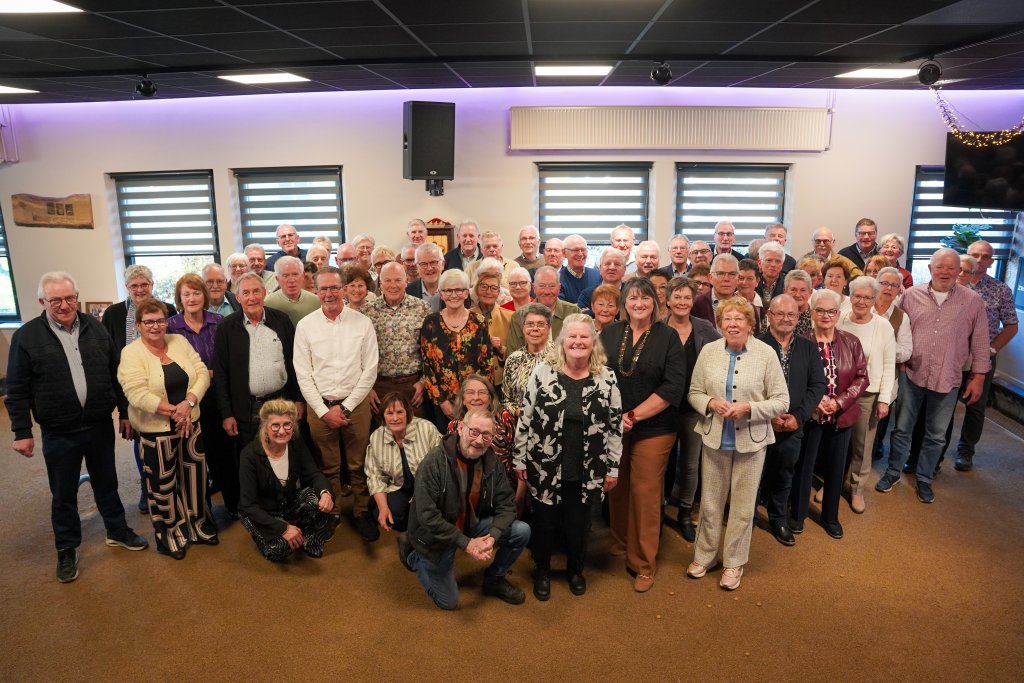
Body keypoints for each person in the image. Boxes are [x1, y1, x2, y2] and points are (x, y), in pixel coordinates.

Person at [7, 272, 149, 583]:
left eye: (69, 298)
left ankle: (116, 529)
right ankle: (66, 547)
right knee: (64, 492)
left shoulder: (95, 327)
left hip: (99, 423)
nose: (64, 305)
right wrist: (21, 431)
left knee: (107, 481)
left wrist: (124, 412)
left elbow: (116, 373)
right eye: (55, 300)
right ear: (42, 302)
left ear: (77, 296)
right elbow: (16, 388)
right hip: (59, 430)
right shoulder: (26, 337)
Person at [513, 314, 622, 600]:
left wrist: (613, 468)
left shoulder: (607, 378)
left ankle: (575, 570)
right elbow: (525, 418)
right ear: (562, 342)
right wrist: (520, 460)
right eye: (571, 337)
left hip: (588, 468)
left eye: (583, 337)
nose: (577, 342)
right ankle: (543, 572)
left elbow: (615, 426)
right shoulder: (543, 373)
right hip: (545, 464)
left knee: (579, 524)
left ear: (593, 342)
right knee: (545, 523)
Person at [686, 297, 788, 590]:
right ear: (720, 324)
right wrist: (710, 402)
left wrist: (749, 409)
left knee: (742, 508)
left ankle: (734, 563)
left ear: (750, 323)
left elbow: (782, 401)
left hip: (751, 442)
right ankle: (705, 556)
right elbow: (694, 392)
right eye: (727, 319)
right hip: (715, 438)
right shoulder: (708, 351)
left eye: (738, 319)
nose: (732, 324)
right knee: (710, 503)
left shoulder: (766, 354)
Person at [876, 249, 990, 503]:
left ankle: (925, 478)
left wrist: (979, 376)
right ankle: (893, 470)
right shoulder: (911, 296)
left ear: (959, 271)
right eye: (940, 267)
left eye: (952, 268)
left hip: (947, 377)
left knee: (936, 434)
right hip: (911, 373)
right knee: (902, 428)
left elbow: (981, 342)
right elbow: (896, 329)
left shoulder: (972, 301)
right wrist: (899, 361)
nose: (946, 272)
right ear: (930, 268)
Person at [600, 277, 687, 592]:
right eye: (632, 299)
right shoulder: (609, 333)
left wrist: (633, 416)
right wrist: (613, 417)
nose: (639, 304)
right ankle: (621, 541)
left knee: (645, 491)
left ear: (655, 302)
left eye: (645, 299)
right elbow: (597, 376)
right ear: (624, 303)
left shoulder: (668, 337)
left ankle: (644, 562)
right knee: (617, 485)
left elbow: (672, 387)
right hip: (613, 426)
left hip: (655, 426)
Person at [400, 409, 531, 610]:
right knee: (449, 603)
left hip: (470, 525)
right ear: (461, 428)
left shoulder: (491, 461)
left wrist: (492, 537)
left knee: (521, 531)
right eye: (474, 432)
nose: (479, 440)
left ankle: (494, 578)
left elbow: (506, 505)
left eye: (486, 434)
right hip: (436, 537)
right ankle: (414, 555)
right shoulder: (434, 462)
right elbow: (427, 517)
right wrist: (466, 544)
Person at [118, 299, 217, 559]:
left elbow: (202, 373)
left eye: (160, 320)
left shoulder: (179, 342)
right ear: (138, 325)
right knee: (162, 485)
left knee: (195, 479)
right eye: (149, 322)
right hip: (156, 431)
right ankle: (170, 535)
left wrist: (189, 402)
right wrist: (175, 411)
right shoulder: (131, 353)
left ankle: (199, 528)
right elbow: (136, 393)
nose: (156, 326)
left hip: (190, 425)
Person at [294, 265, 380, 541]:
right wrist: (322, 410)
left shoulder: (362, 323)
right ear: (315, 291)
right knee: (327, 465)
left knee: (358, 463)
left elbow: (370, 370)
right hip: (319, 406)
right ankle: (330, 514)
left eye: (334, 287)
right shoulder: (306, 326)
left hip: (355, 405)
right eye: (323, 288)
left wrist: (345, 407)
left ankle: (361, 511)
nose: (329, 293)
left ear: (344, 290)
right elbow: (303, 374)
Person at [213, 271, 304, 518]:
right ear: (237, 297)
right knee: (252, 460)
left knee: (284, 454)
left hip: (281, 402)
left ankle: (285, 506)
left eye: (256, 291)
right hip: (247, 408)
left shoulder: (281, 320)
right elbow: (220, 374)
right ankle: (256, 511)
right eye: (246, 293)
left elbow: (296, 363)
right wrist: (227, 413)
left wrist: (298, 399)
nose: (252, 297)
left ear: (265, 293)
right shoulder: (226, 328)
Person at [791, 289, 868, 539]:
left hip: (841, 415)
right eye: (820, 310)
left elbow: (861, 377)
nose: (826, 315)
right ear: (812, 313)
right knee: (804, 467)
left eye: (831, 311)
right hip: (810, 415)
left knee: (836, 469)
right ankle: (798, 513)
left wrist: (839, 403)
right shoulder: (800, 341)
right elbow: (795, 380)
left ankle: (830, 517)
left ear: (838, 314)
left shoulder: (851, 341)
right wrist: (815, 403)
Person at [102, 264, 178, 511]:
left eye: (144, 284)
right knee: (141, 437)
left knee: (171, 436)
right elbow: (111, 358)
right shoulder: (113, 314)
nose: (139, 289)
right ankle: (148, 489)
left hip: (165, 380)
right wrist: (123, 411)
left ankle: (175, 487)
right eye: (134, 285)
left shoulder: (168, 309)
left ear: (152, 285)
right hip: (132, 384)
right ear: (126, 288)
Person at [757, 294, 826, 547]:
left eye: (791, 315)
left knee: (785, 473)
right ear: (769, 316)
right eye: (779, 314)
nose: (785, 319)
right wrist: (768, 415)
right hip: (760, 424)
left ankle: (777, 518)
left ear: (798, 318)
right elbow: (749, 387)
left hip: (793, 425)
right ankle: (749, 515)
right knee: (754, 472)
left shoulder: (808, 347)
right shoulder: (756, 345)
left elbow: (817, 385)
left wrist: (798, 417)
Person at [166, 275, 231, 515]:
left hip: (218, 395)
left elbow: (227, 360)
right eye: (186, 294)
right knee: (192, 456)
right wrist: (205, 373)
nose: (192, 298)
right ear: (179, 299)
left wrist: (214, 373)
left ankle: (233, 505)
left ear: (204, 295)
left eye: (196, 293)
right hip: (186, 399)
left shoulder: (220, 321)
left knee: (222, 453)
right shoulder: (171, 327)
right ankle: (199, 511)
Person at [237, 399, 334, 561]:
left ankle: (307, 538)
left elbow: (314, 474)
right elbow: (248, 505)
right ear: (265, 427)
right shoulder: (249, 455)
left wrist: (325, 493)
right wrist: (282, 528)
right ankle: (287, 531)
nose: (282, 431)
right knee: (279, 550)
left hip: (285, 502)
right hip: (259, 511)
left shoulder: (295, 442)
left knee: (318, 498)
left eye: (287, 424)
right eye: (275, 425)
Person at [951, 240, 1018, 472]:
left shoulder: (1000, 289)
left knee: (975, 406)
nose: (979, 260)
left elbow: (1011, 326)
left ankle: (966, 451)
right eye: (974, 255)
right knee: (946, 404)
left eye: (985, 256)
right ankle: (936, 449)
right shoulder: (952, 285)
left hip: (982, 356)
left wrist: (990, 351)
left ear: (991, 261)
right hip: (953, 357)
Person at [664, 277, 721, 542]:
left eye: (687, 297)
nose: (682, 302)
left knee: (689, 464)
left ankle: (685, 513)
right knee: (661, 463)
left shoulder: (705, 328)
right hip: (662, 407)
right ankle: (659, 507)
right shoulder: (658, 327)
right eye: (677, 296)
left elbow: (721, 355)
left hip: (694, 407)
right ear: (667, 299)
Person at [837, 277, 895, 514]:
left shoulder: (883, 326)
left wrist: (884, 399)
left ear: (874, 299)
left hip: (867, 395)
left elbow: (890, 364)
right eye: (857, 296)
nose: (862, 301)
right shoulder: (839, 319)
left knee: (862, 444)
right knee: (838, 442)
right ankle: (834, 482)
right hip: (839, 392)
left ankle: (857, 488)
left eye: (868, 297)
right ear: (850, 297)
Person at [419, 268, 497, 430]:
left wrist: (475, 399)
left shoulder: (478, 321)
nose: (453, 295)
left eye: (458, 290)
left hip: (474, 403)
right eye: (448, 290)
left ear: (466, 293)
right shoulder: (430, 323)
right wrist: (442, 402)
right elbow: (428, 367)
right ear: (441, 294)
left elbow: (487, 365)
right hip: (443, 404)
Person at [363, 262, 432, 421]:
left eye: (398, 280)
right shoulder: (367, 311)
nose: (392, 285)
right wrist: (368, 388)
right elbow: (360, 355)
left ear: (406, 281)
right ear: (380, 283)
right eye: (387, 280)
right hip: (380, 386)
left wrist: (423, 382)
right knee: (383, 437)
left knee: (418, 435)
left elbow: (431, 352)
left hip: (413, 387)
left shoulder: (422, 308)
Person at [365, 392, 442, 532]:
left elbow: (442, 467)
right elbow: (375, 477)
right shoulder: (377, 437)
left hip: (430, 486)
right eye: (389, 413)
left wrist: (422, 494)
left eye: (400, 412)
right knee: (384, 513)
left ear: (408, 413)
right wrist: (383, 508)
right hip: (399, 487)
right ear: (383, 416)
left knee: (427, 511)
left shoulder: (426, 428)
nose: (395, 418)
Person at [871, 267, 913, 460]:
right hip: (859, 374)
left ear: (899, 290)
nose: (888, 288)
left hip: (886, 376)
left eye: (894, 285)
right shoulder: (863, 305)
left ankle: (877, 443)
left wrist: (884, 349)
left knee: (881, 413)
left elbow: (905, 351)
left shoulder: (901, 316)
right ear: (875, 284)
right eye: (884, 283)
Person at [507, 266, 581, 353]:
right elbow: (514, 356)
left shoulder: (573, 312)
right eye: (542, 286)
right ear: (534, 288)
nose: (547, 291)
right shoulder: (519, 316)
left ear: (559, 288)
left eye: (552, 286)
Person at [501, 303, 553, 415]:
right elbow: (506, 400)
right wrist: (519, 412)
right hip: (520, 424)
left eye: (541, 324)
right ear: (523, 328)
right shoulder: (513, 359)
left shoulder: (561, 357)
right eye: (529, 324)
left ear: (549, 328)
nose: (535, 329)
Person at [264, 255, 320, 326]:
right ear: (277, 279)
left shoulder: (317, 302)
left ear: (302, 275)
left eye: (295, 274)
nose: (291, 280)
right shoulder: (268, 304)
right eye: (285, 275)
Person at [577, 247, 626, 314]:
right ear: (600, 269)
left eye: (617, 264)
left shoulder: (631, 293)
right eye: (607, 264)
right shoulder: (587, 295)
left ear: (624, 270)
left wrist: (592, 312)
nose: (612, 267)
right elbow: (583, 319)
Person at [559, 234, 601, 304]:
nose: (580, 254)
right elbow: (562, 308)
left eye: (583, 249)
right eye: (575, 250)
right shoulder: (558, 279)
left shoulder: (597, 275)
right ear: (564, 253)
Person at [407, 241, 444, 313]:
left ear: (442, 264)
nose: (429, 268)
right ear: (417, 267)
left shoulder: (457, 290)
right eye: (423, 264)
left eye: (433, 262)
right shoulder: (407, 292)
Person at [785, 269, 815, 338]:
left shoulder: (817, 316)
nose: (798, 295)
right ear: (785, 291)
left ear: (810, 292)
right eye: (793, 290)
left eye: (803, 290)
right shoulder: (774, 314)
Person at [756, 241, 787, 307]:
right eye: (769, 260)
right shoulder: (752, 283)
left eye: (778, 261)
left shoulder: (787, 284)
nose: (773, 265)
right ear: (759, 263)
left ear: (782, 265)